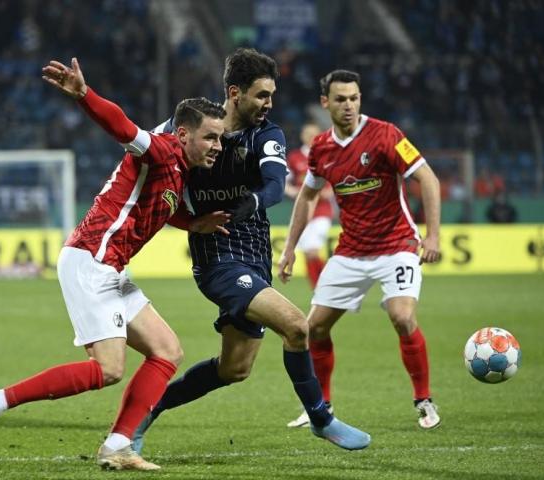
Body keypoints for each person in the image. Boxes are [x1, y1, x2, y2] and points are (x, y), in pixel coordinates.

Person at [0, 57, 229, 471]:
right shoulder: (160, 151)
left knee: (166, 351)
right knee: (108, 369)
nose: (217, 146)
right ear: (182, 134)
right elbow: (122, 127)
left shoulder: (179, 173)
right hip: (92, 259)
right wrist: (84, 95)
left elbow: (165, 208)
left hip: (112, 267)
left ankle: (118, 446)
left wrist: (196, 223)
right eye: (211, 138)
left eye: (220, 139)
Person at [132, 48, 371, 454]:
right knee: (298, 326)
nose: (269, 104)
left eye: (271, 95)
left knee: (233, 369)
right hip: (216, 259)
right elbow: (145, 149)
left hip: (254, 257)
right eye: (261, 95)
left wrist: (254, 202)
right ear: (234, 92)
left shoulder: (267, 135)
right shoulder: (191, 124)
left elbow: (276, 185)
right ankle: (321, 418)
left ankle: (144, 414)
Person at [278, 69, 443, 430]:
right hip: (350, 251)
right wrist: (290, 249)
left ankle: (424, 400)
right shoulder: (321, 148)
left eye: (354, 98)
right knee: (313, 329)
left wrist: (432, 237)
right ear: (326, 103)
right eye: (340, 99)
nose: (349, 105)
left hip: (396, 244)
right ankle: (320, 407)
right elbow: (306, 196)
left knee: (402, 316)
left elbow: (427, 178)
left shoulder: (386, 135)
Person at [284, 121, 336, 291]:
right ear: (302, 136)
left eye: (315, 135)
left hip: (321, 211)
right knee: (307, 253)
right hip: (303, 213)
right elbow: (284, 182)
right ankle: (318, 289)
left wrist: (312, 193)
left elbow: (330, 190)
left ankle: (329, 284)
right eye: (308, 135)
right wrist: (292, 192)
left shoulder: (326, 156)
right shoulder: (294, 157)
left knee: (313, 250)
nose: (311, 138)